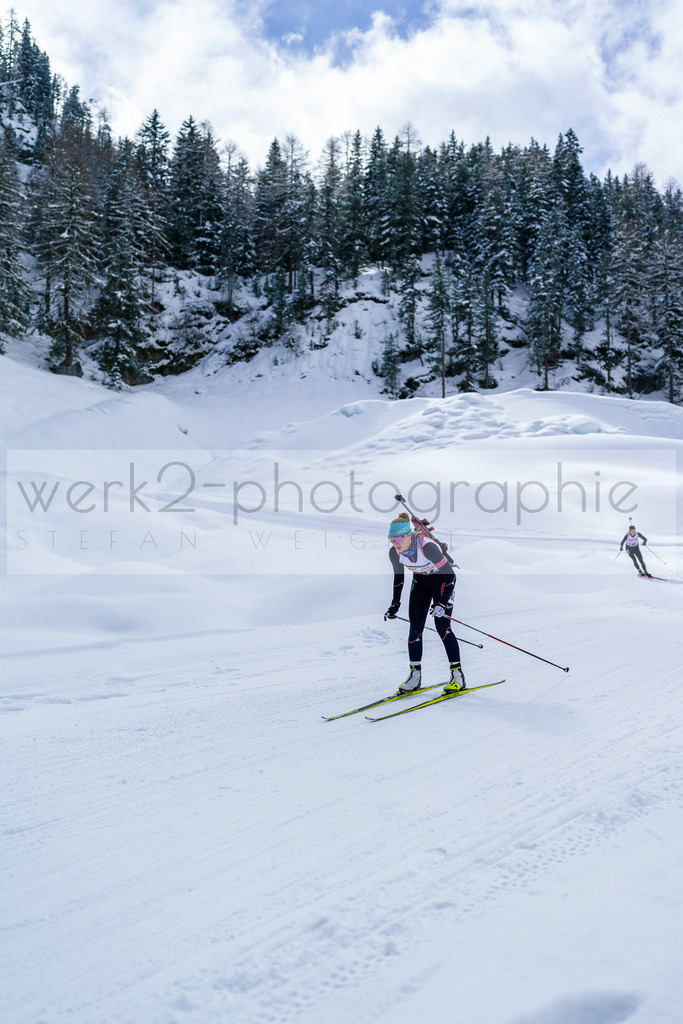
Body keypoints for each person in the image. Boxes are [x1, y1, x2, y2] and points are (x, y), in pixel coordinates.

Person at [384, 512, 465, 695]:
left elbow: (450, 575)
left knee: (442, 626)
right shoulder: (394, 553)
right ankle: (415, 676)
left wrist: (442, 603)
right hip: (421, 583)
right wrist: (394, 604)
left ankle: (457, 675)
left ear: (407, 535)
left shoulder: (427, 547)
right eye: (391, 539)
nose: (395, 544)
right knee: (415, 628)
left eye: (397, 539)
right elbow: (398, 579)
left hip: (442, 583)